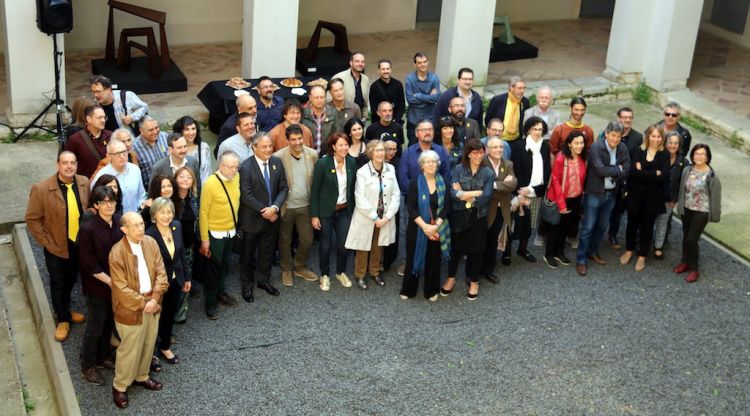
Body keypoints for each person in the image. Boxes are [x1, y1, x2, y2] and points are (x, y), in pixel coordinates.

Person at [25, 151, 90, 342]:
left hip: (79, 243)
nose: (69, 166)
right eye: (65, 163)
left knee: (72, 278)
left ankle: (67, 309)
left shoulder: (84, 182)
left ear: (77, 165)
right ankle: (62, 319)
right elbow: (32, 219)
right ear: (57, 165)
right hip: (57, 245)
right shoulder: (42, 188)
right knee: (58, 282)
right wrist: (46, 242)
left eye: (72, 163)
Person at [109, 212, 168, 409]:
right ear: (124, 229)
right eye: (135, 226)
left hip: (152, 301)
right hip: (131, 308)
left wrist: (155, 298)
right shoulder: (117, 253)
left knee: (148, 343)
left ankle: (142, 376)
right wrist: (146, 303)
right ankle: (120, 386)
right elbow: (120, 289)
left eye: (141, 224)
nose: (140, 229)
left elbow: (161, 271)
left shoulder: (150, 242)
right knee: (128, 350)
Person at [78, 186, 121, 385]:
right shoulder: (88, 229)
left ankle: (103, 356)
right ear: (96, 205)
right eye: (103, 202)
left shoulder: (118, 223)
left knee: (109, 323)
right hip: (97, 286)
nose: (108, 205)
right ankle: (88, 365)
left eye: (111, 201)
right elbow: (89, 264)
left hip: (116, 285)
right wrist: (111, 282)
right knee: (95, 326)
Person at [575, 121, 631, 277]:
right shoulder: (596, 147)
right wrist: (618, 169)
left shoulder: (622, 148)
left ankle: (592, 252)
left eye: (619, 136)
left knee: (602, 226)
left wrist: (615, 170)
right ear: (606, 134)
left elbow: (627, 169)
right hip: (594, 193)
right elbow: (599, 170)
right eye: (613, 135)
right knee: (588, 227)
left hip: (611, 193)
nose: (615, 139)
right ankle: (581, 259)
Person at [238, 133, 288, 302]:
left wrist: (274, 208)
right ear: (254, 148)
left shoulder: (277, 163)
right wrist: (265, 211)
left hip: (272, 218)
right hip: (252, 219)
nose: (269, 149)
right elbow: (246, 195)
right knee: (247, 254)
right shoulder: (245, 167)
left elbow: (284, 188)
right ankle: (246, 285)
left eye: (270, 146)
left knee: (267, 252)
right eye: (264, 147)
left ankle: (263, 281)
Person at [441, 139, 494, 300]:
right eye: (475, 152)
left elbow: (486, 197)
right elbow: (452, 193)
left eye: (481, 152)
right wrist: (474, 193)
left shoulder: (488, 173)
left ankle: (474, 281)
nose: (478, 155)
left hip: (478, 216)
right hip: (459, 215)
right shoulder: (458, 169)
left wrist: (463, 194)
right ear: (468, 154)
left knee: (476, 251)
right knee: (456, 249)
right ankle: (451, 278)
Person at [345, 140, 400, 289]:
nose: (381, 153)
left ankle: (375, 272)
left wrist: (387, 217)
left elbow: (396, 194)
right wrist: (374, 217)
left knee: (378, 246)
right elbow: (360, 197)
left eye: (382, 150)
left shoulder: (391, 169)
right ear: (371, 153)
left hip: (384, 217)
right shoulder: (362, 172)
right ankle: (360, 274)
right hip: (367, 217)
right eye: (377, 150)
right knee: (363, 246)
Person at [618, 124, 670, 272]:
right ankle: (629, 250)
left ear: (662, 138)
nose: (656, 139)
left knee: (647, 227)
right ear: (648, 136)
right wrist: (655, 173)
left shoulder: (664, 154)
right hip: (636, 196)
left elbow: (664, 176)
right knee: (631, 225)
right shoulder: (638, 150)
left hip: (653, 198)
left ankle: (642, 256)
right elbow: (634, 173)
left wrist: (644, 172)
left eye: (659, 136)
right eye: (653, 136)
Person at [145, 197, 190, 366]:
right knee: (153, 318)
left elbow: (181, 254)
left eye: (169, 212)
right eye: (162, 212)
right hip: (157, 284)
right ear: (154, 215)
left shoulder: (176, 226)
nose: (166, 216)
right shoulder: (149, 234)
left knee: (169, 314)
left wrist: (186, 277)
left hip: (175, 279)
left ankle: (164, 346)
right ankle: (149, 355)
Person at [400, 150, 450, 301]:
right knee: (412, 258)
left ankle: (431, 290)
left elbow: (446, 208)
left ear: (438, 164)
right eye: (427, 162)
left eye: (434, 161)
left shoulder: (444, 183)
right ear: (422, 165)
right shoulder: (415, 183)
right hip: (417, 228)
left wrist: (435, 227)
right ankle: (408, 289)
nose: (431, 164)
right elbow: (411, 208)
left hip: (437, 228)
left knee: (433, 260)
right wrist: (425, 227)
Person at [273, 125, 320, 287]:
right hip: (286, 205)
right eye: (293, 139)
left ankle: (299, 265)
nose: (297, 142)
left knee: (307, 239)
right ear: (288, 140)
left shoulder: (313, 155)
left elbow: (316, 181)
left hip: (306, 205)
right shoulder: (278, 157)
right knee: (285, 239)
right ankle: (286, 268)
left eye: (299, 138)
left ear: (303, 138)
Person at [310, 132, 357, 291]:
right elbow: (315, 190)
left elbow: (353, 188)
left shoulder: (351, 162)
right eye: (341, 145)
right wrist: (314, 215)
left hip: (344, 210)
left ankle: (340, 272)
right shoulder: (323, 164)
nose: (344, 148)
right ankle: (325, 275)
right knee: (325, 245)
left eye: (346, 144)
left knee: (344, 245)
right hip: (325, 212)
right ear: (333, 147)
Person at [199, 151, 241, 319]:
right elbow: (203, 213)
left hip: (231, 230)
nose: (234, 170)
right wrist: (204, 239)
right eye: (230, 167)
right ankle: (210, 301)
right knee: (213, 269)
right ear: (220, 166)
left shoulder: (236, 178)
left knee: (224, 264)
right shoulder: (210, 183)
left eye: (236, 167)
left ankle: (220, 292)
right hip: (214, 233)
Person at [674, 144, 721, 283]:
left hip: (702, 211)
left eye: (702, 154)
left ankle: (694, 269)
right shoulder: (687, 170)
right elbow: (682, 189)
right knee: (686, 236)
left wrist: (715, 216)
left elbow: (716, 197)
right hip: (687, 209)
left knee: (691, 239)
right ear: (692, 156)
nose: (699, 156)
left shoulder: (712, 176)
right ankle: (685, 261)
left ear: (707, 157)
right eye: (696, 153)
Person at [508, 117, 551, 264]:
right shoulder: (518, 146)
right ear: (528, 130)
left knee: (529, 224)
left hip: (535, 192)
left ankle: (523, 249)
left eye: (540, 129)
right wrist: (520, 190)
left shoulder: (545, 147)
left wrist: (532, 189)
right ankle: (507, 252)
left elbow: (546, 172)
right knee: (512, 223)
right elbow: (514, 170)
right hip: (519, 191)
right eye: (534, 129)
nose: (537, 132)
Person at [543, 132, 587, 269]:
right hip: (561, 198)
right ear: (569, 144)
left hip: (575, 197)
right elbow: (555, 180)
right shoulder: (561, 158)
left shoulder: (582, 156)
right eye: (576, 143)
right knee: (555, 227)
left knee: (565, 227)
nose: (580, 146)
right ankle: (549, 254)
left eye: (581, 143)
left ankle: (559, 251)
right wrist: (562, 205)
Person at [607, 107, 644, 248]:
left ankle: (612, 235)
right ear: (618, 118)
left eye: (630, 117)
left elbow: (637, 161)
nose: (627, 120)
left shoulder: (638, 137)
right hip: (607, 177)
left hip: (625, 181)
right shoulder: (611, 133)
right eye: (624, 117)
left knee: (618, 211)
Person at [481, 137, 517, 281]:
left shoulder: (508, 164)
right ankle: (476, 271)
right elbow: (482, 185)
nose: (498, 150)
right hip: (484, 209)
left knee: (492, 241)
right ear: (487, 150)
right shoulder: (482, 163)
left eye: (501, 147)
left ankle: (489, 270)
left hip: (500, 209)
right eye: (495, 147)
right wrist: (501, 184)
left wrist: (494, 185)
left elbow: (513, 184)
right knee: (480, 239)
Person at [653, 132, 690, 258]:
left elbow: (682, 183)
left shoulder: (683, 161)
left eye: (676, 143)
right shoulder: (657, 155)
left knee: (663, 223)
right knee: (647, 221)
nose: (672, 145)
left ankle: (658, 247)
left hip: (669, 199)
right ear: (665, 142)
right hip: (653, 195)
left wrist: (675, 200)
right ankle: (643, 242)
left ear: (679, 145)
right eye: (670, 142)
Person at [173, 166, 200, 323]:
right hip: (171, 249)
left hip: (188, 247)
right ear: (175, 179)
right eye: (181, 176)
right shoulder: (170, 199)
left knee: (186, 279)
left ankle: (181, 312)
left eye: (188, 177)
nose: (185, 179)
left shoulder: (194, 198)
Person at [398, 120, 452, 196]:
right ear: (416, 133)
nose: (427, 133)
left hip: (438, 198)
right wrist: (420, 196)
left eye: (430, 129)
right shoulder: (408, 153)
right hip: (413, 199)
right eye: (423, 130)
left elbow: (446, 177)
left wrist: (434, 194)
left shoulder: (441, 151)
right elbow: (403, 180)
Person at [92, 139, 146, 214]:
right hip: (115, 221)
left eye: (124, 152)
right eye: (117, 153)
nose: (122, 156)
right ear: (109, 156)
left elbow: (141, 195)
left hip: (136, 217)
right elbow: (95, 202)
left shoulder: (135, 170)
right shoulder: (101, 176)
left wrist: (140, 209)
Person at [63, 105, 112, 178]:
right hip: (85, 184)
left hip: (108, 182)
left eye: (104, 117)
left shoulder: (111, 136)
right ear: (89, 119)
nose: (103, 120)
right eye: (99, 117)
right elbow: (65, 162)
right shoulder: (75, 139)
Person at [405, 52, 441, 144]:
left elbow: (436, 98)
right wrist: (429, 97)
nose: (423, 64)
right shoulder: (409, 79)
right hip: (414, 119)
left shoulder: (434, 78)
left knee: (429, 145)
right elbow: (410, 99)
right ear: (415, 64)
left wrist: (419, 95)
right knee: (413, 145)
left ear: (428, 62)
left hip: (430, 118)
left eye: (424, 62)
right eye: (419, 62)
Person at [485, 76, 530, 142]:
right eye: (519, 88)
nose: (522, 91)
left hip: (517, 140)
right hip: (499, 139)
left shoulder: (525, 102)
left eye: (524, 88)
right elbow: (488, 120)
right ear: (511, 87)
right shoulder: (497, 100)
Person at [216, 93, 258, 157]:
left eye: (255, 106)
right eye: (250, 108)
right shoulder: (229, 127)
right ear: (240, 109)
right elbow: (218, 152)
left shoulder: (255, 115)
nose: (254, 110)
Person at [382, 138, 402, 272]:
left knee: (392, 232)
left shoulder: (399, 162)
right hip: (378, 202)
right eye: (389, 149)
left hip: (393, 203)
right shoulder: (377, 161)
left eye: (394, 149)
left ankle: (388, 260)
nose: (392, 152)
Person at [132, 115, 169, 188]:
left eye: (156, 127)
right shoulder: (134, 147)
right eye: (150, 130)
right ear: (141, 131)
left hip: (169, 184)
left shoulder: (165, 136)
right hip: (151, 188)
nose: (155, 132)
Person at [173, 116, 212, 184]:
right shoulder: (175, 150)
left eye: (193, 128)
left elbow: (207, 173)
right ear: (180, 131)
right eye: (187, 129)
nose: (191, 133)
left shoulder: (204, 148)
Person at [302, 85, 339, 155]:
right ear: (310, 98)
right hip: (306, 155)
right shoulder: (303, 113)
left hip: (326, 156)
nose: (319, 100)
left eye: (322, 97)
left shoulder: (333, 113)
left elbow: (337, 135)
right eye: (316, 97)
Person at [368, 59, 405, 124]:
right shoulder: (374, 87)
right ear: (378, 71)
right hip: (379, 123)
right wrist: (384, 121)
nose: (386, 71)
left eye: (387, 69)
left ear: (391, 70)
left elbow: (401, 105)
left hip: (396, 122)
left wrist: (395, 120)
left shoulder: (398, 84)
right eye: (383, 69)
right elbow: (374, 108)